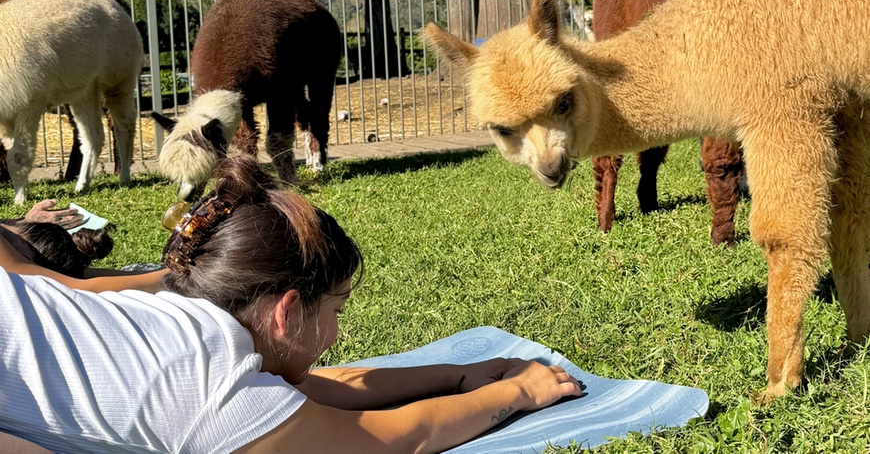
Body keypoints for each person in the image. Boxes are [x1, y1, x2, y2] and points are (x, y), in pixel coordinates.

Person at [0, 156, 584, 454]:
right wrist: (518, 393)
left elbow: (313, 390)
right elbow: (388, 440)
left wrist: (457, 374)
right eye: (335, 309)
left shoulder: (183, 315)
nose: (335, 333)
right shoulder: (202, 382)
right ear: (285, 310)